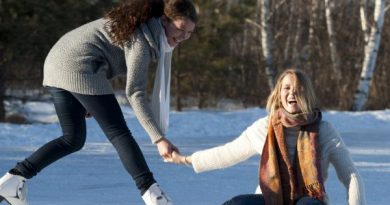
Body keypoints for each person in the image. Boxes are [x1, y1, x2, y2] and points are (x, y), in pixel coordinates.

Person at [0, 0, 197, 205]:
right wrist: (158, 138)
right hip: (78, 67)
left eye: (190, 33)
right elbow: (135, 92)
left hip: (57, 64)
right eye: (181, 29)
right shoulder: (140, 38)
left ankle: (12, 180)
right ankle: (152, 194)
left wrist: (86, 96)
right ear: (164, 20)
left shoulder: (141, 28)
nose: (184, 37)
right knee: (118, 132)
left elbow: (103, 52)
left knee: (73, 139)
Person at [166, 68, 366, 205]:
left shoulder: (324, 130)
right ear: (279, 93)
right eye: (287, 88)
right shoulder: (264, 127)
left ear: (307, 94)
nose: (292, 93)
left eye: (298, 89)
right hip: (270, 199)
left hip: (309, 200)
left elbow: (351, 175)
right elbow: (227, 153)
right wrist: (185, 159)